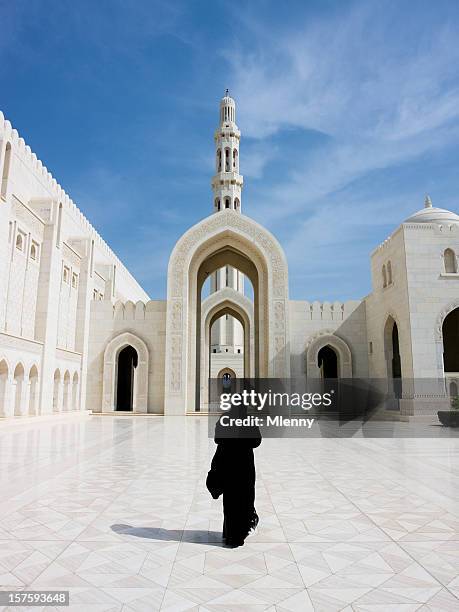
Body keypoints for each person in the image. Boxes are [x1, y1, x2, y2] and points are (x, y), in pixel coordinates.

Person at [207, 399, 262, 548]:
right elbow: (257, 441)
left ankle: (230, 534)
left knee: (230, 502)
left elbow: (217, 438)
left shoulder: (225, 418)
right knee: (244, 500)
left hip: (228, 465)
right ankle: (239, 535)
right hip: (244, 467)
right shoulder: (248, 419)